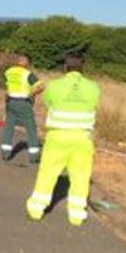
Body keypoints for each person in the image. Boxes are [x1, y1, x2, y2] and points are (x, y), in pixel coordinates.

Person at [26, 54, 101, 226]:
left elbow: (48, 103)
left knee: (48, 173)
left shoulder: (54, 86)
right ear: (83, 67)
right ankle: (76, 215)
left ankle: (36, 209)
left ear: (65, 68)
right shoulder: (94, 87)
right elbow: (94, 105)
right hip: (82, 138)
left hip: (57, 136)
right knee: (81, 176)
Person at [1, 56, 44, 163]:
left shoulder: (8, 72)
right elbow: (40, 86)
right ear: (27, 64)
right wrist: (32, 93)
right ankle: (34, 155)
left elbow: (7, 85)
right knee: (31, 128)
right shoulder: (27, 74)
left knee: (9, 127)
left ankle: (5, 153)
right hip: (24, 102)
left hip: (11, 102)